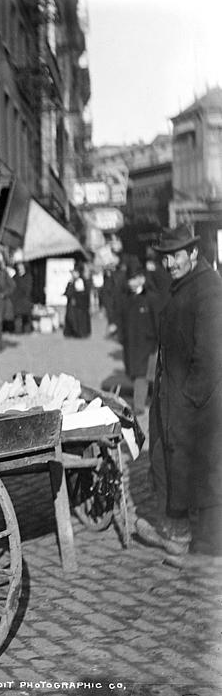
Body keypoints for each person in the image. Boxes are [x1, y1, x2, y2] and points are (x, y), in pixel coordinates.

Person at [136, 225, 222, 561]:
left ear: (193, 253)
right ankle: (179, 530)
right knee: (168, 459)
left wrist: (188, 399)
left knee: (205, 465)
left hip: (200, 401)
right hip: (177, 396)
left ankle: (194, 538)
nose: (170, 262)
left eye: (176, 255)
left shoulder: (208, 290)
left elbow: (212, 355)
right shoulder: (185, 286)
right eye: (166, 257)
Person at [117, 261, 160, 416]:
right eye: (129, 279)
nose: (131, 283)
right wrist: (121, 338)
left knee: (144, 376)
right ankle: (145, 402)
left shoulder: (151, 298)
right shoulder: (126, 299)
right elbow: (121, 320)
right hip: (132, 344)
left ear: (142, 278)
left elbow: (158, 323)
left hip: (149, 345)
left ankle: (139, 407)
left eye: (134, 278)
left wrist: (157, 341)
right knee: (137, 374)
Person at [63, 263, 91, 338]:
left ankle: (79, 333)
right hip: (73, 304)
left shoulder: (80, 281)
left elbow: (80, 293)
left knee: (78, 319)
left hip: (79, 305)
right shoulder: (73, 281)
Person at [10, 262, 33, 334]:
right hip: (17, 300)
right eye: (19, 268)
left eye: (21, 267)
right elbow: (12, 288)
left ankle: (27, 331)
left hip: (26, 299)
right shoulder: (14, 277)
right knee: (17, 317)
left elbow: (28, 288)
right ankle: (18, 331)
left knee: (26, 317)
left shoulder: (28, 277)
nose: (20, 269)